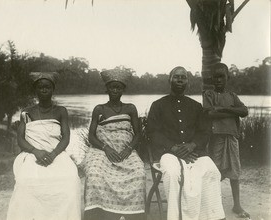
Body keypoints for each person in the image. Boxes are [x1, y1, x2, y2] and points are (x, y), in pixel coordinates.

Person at [147, 66, 225, 220]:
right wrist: (173, 147)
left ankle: (208, 217)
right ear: (170, 80)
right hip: (168, 153)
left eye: (184, 77)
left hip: (194, 152)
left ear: (188, 82)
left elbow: (205, 131)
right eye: (176, 76)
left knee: (211, 171)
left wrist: (192, 145)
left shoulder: (196, 106)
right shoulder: (158, 105)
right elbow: (153, 132)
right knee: (172, 172)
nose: (180, 79)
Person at [7, 72, 81, 220]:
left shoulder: (61, 111)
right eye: (40, 87)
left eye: (47, 87)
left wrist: (53, 154)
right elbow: (20, 139)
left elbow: (66, 137)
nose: (44, 90)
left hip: (57, 153)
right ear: (35, 90)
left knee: (71, 179)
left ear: (53, 90)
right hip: (32, 154)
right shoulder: (27, 112)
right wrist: (35, 151)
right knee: (26, 181)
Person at [83, 69, 146, 220]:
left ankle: (131, 215)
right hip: (102, 150)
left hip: (126, 151)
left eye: (118, 87)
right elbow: (91, 136)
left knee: (139, 173)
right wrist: (106, 148)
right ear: (107, 89)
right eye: (112, 87)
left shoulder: (130, 108)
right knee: (94, 174)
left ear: (123, 89)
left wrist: (129, 149)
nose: (115, 90)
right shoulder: (99, 109)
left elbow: (138, 134)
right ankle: (99, 214)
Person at [203, 63, 250, 218]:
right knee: (215, 171)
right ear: (212, 79)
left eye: (221, 76)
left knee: (234, 171)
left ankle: (237, 205)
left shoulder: (232, 96)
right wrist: (231, 112)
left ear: (227, 78)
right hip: (216, 137)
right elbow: (209, 114)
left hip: (232, 137)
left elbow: (244, 111)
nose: (218, 80)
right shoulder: (208, 94)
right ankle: (215, 205)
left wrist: (224, 109)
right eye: (215, 77)